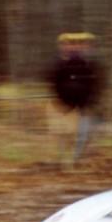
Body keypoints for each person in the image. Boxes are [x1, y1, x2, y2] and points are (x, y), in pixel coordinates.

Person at [47, 32, 102, 162]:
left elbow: (96, 83)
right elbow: (54, 82)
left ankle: (76, 157)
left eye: (79, 44)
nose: (74, 47)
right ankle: (63, 157)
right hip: (64, 104)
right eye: (69, 44)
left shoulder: (90, 63)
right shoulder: (58, 63)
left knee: (82, 133)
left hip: (84, 104)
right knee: (63, 132)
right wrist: (59, 100)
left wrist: (93, 101)